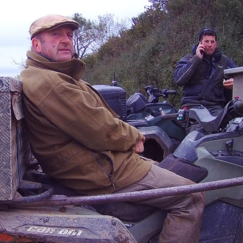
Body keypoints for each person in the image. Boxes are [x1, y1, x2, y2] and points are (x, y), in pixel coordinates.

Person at [20, 14, 205, 243]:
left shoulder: (51, 75)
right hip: (101, 173)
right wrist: (134, 135)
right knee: (190, 198)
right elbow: (99, 129)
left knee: (172, 172)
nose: (66, 40)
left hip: (96, 164)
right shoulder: (50, 82)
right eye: (56, 35)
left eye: (69, 35)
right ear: (36, 44)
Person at [174, 28, 237, 116]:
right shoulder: (188, 59)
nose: (209, 45)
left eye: (212, 42)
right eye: (206, 41)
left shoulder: (224, 61)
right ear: (200, 43)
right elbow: (179, 79)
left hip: (215, 106)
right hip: (192, 105)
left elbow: (239, 75)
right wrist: (197, 58)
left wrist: (235, 83)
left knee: (223, 126)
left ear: (216, 44)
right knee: (197, 128)